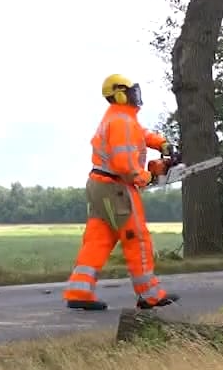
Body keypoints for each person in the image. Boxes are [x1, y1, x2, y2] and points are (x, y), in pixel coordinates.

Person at [63, 74, 176, 311]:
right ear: (120, 94)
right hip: (117, 187)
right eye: (132, 92)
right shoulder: (121, 121)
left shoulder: (119, 118)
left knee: (98, 238)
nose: (137, 97)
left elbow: (141, 135)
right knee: (137, 238)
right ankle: (150, 294)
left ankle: (79, 291)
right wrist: (146, 177)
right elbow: (125, 165)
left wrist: (162, 143)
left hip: (98, 184)